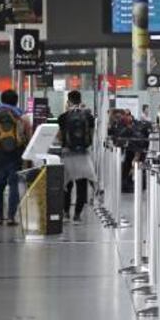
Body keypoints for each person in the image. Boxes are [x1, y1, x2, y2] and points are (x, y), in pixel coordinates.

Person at [0, 89, 30, 226]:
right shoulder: (21, 116)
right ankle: (11, 217)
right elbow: (27, 136)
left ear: (2, 99)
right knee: (14, 185)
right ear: (16, 101)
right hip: (16, 154)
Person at [56, 90, 96, 222]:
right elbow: (91, 136)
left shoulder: (62, 117)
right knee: (82, 185)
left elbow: (60, 137)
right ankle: (77, 215)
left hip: (67, 154)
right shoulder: (89, 117)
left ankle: (66, 213)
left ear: (68, 101)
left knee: (66, 185)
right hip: (83, 154)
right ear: (80, 100)